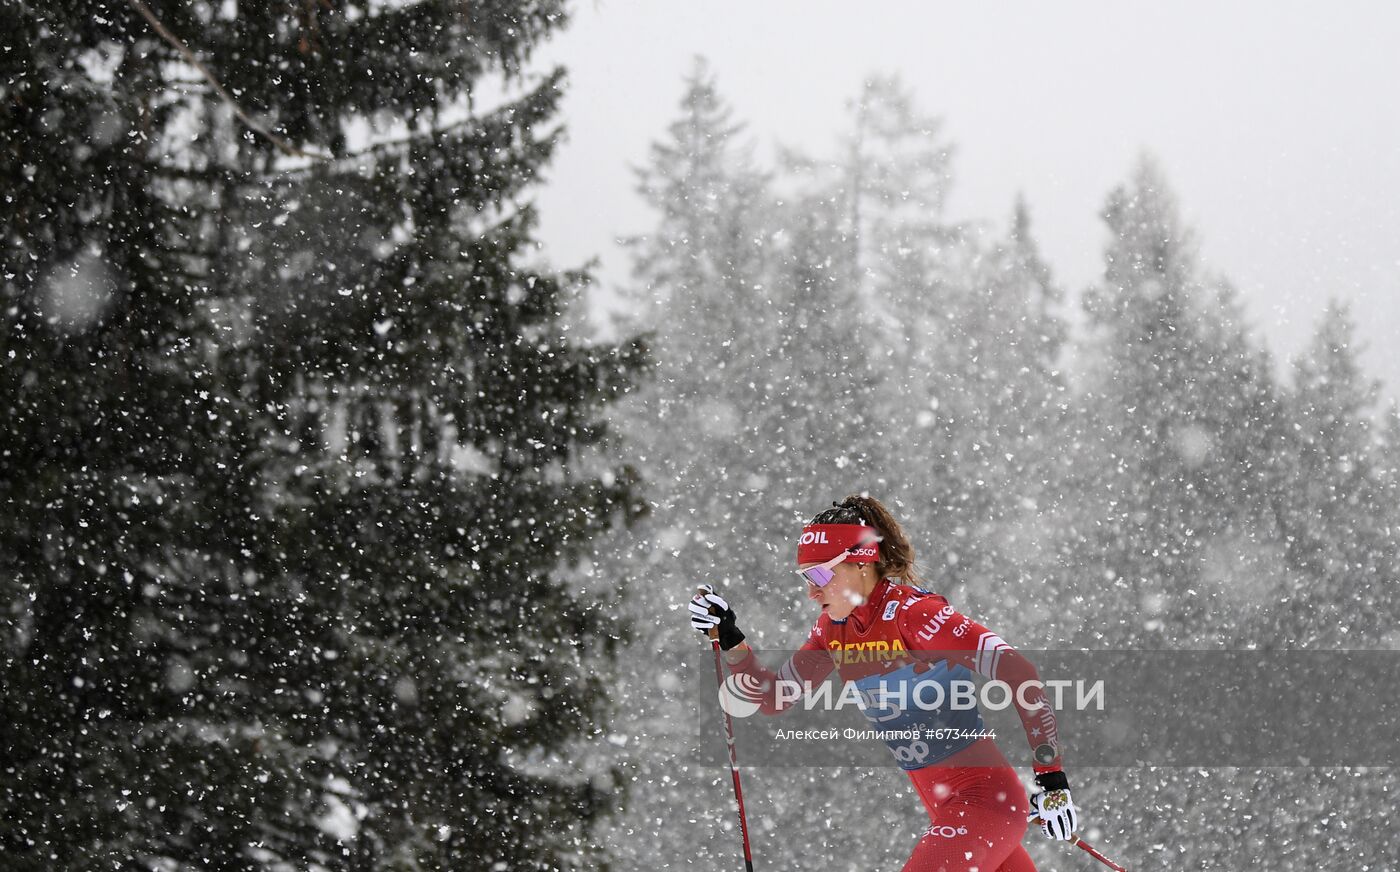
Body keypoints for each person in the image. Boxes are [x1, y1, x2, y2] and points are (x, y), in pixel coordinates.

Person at [688, 494, 1079, 872]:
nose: (811, 591)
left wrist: (1052, 779)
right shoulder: (833, 630)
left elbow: (1019, 671)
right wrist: (732, 640)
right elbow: (774, 697)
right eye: (806, 577)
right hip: (949, 808)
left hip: (983, 804)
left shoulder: (916, 615)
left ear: (861, 563)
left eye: (821, 574)